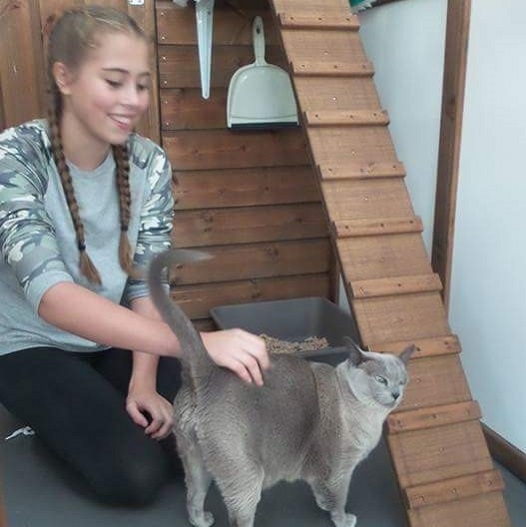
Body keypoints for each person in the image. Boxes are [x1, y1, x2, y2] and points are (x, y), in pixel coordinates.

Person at [0, 5, 268, 506]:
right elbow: (52, 297)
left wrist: (144, 381)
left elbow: (146, 284)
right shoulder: (14, 157)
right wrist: (196, 343)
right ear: (65, 77)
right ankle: (46, 424)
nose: (133, 100)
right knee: (136, 476)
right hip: (28, 344)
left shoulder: (149, 164)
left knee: (218, 434)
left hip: (114, 338)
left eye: (141, 85)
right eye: (115, 81)